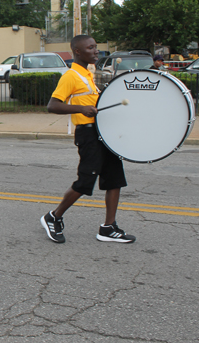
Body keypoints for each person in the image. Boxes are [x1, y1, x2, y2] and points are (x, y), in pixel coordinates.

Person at [40, 34, 136, 244]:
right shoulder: (71, 76)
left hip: (103, 134)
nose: (96, 51)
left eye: (95, 47)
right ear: (78, 51)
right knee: (85, 181)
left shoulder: (87, 75)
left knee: (114, 179)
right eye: (91, 48)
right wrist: (81, 108)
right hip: (88, 134)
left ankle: (108, 227)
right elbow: (53, 105)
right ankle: (53, 217)